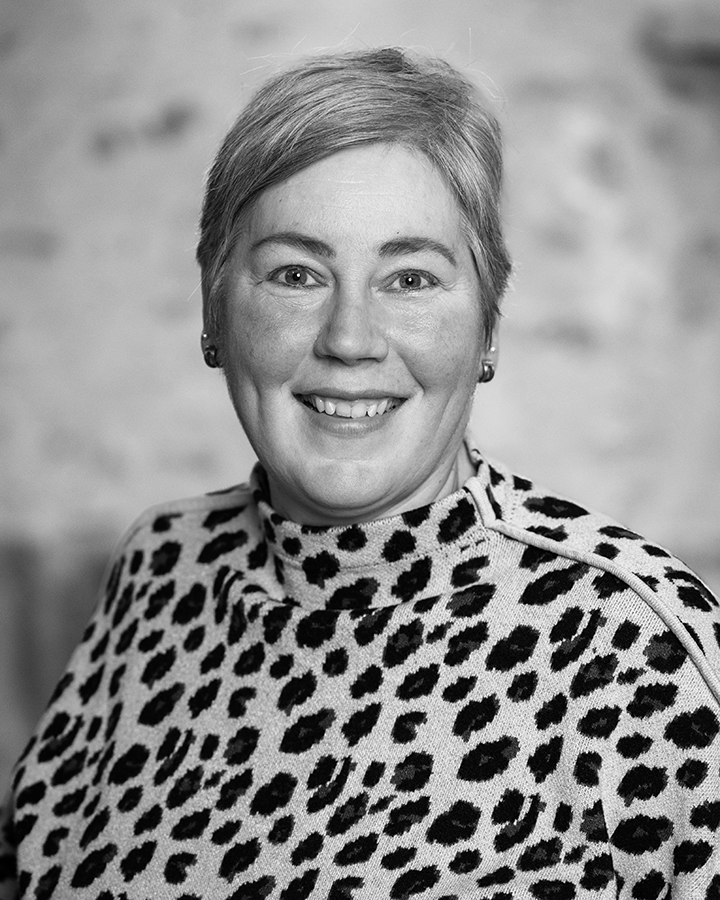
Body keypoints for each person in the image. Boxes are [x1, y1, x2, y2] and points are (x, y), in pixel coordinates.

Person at [1, 47, 719, 900]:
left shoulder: (634, 645)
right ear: (215, 308)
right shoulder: (160, 568)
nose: (350, 338)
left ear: (488, 326)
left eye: (409, 278)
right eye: (297, 274)